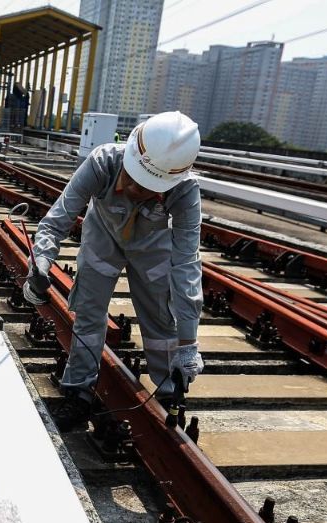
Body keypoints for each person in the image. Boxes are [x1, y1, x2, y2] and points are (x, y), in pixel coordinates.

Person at [24, 111, 204, 429]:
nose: (136, 188)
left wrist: (188, 343)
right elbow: (60, 215)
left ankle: (168, 393)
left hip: (152, 248)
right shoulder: (102, 162)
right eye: (133, 178)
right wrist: (40, 261)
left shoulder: (185, 191)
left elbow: (187, 263)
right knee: (90, 313)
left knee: (162, 320)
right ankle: (79, 392)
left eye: (148, 186)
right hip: (103, 236)